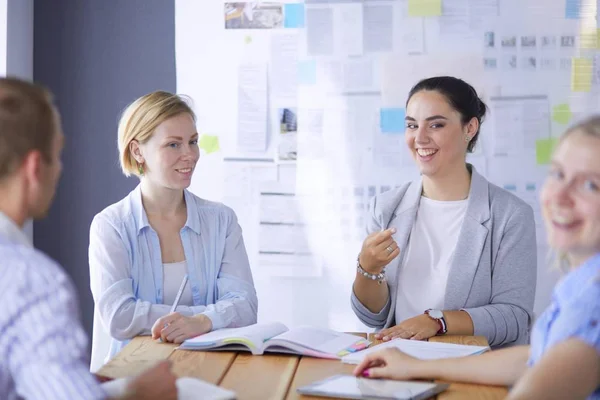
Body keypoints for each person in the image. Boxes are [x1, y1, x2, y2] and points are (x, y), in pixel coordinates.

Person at [353, 116, 600, 400]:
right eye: (557, 174)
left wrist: (438, 322)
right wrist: (416, 366)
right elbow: (534, 360)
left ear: (470, 129)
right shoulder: (581, 285)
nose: (560, 196)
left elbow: (520, 325)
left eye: (591, 186)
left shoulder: (591, 310)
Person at [0, 77, 177, 399]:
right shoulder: (32, 281)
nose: (60, 170)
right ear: (35, 167)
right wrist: (137, 395)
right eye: (58, 154)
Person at [351, 76, 537, 348]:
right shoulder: (386, 208)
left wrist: (438, 322)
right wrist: (367, 268)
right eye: (412, 125)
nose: (420, 138)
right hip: (399, 363)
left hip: (472, 373)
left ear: (469, 128)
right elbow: (373, 317)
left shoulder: (510, 215)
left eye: (436, 124)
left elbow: (513, 317)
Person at [89, 90, 258, 366]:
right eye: (173, 145)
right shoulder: (111, 226)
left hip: (208, 371)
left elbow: (246, 305)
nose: (189, 155)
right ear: (137, 151)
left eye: (193, 142)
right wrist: (204, 318)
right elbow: (119, 316)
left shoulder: (221, 221)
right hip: (132, 379)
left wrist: (200, 321)